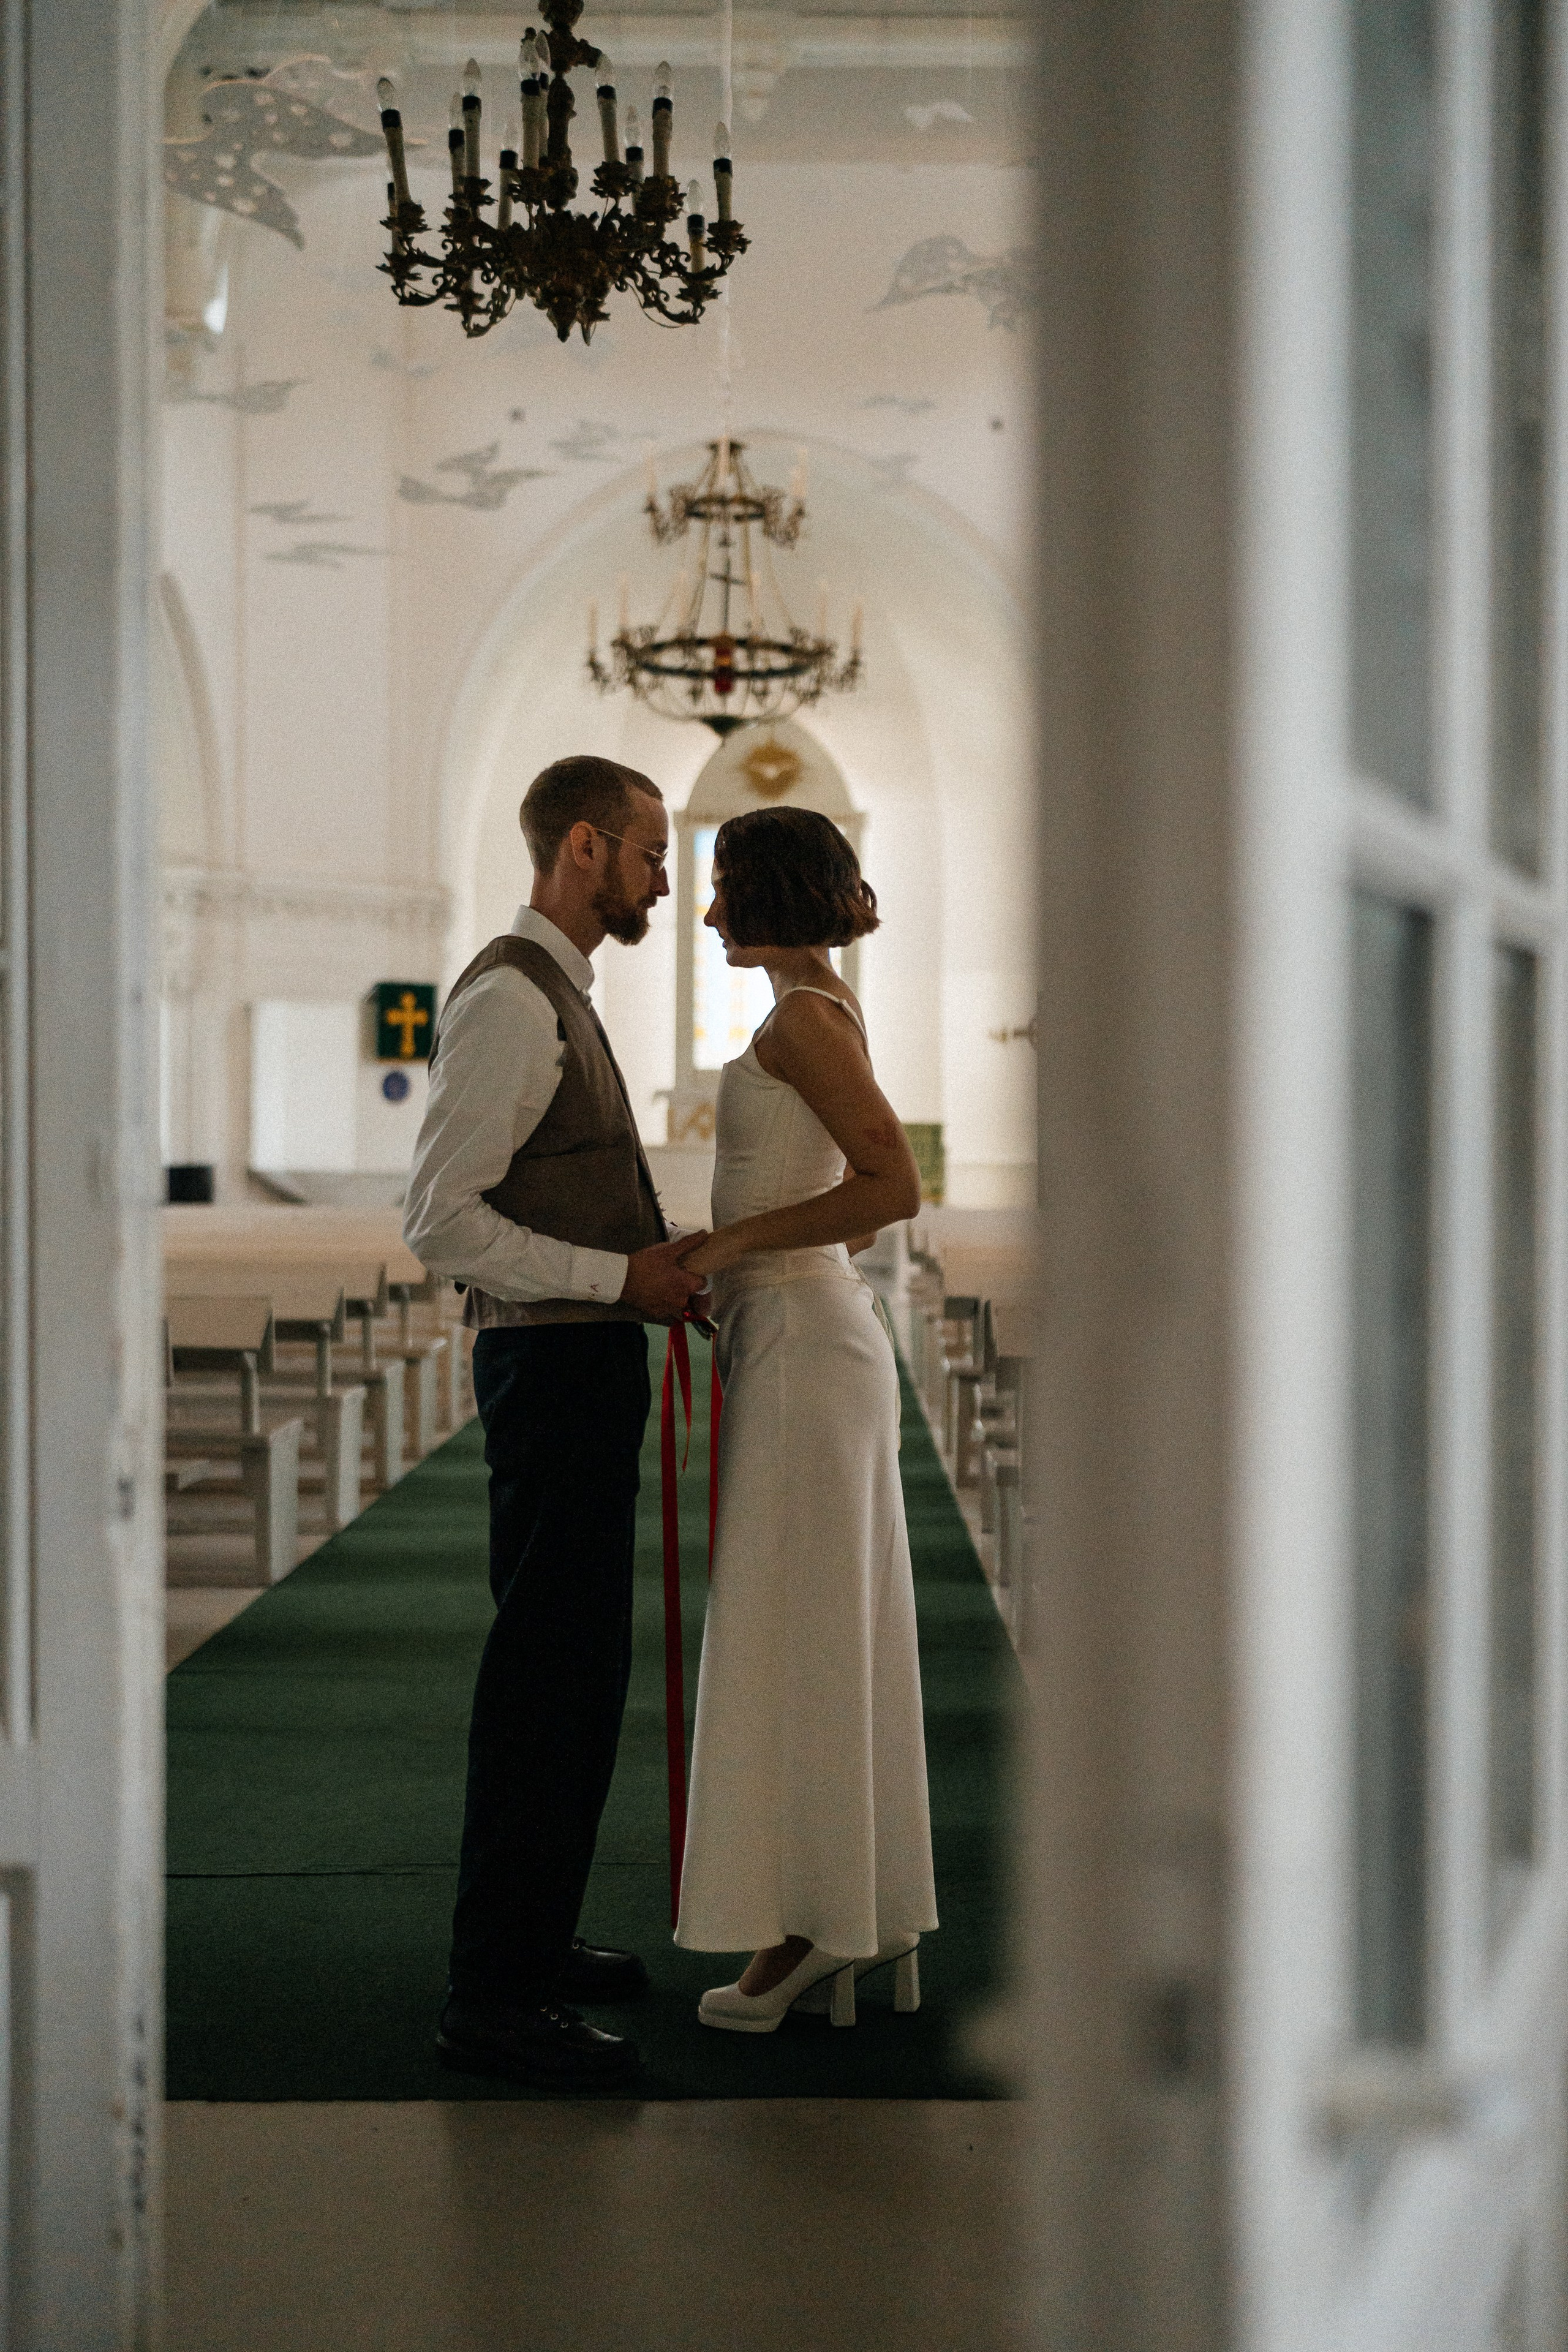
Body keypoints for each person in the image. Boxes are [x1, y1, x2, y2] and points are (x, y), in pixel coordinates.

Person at [403, 753, 707, 2088]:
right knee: (545, 1679)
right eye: (647, 852)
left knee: (579, 1677)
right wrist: (617, 1279)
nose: (659, 877)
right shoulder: (508, 1002)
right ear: (582, 849)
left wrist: (653, 1263)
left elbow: (555, 1187)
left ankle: (533, 1938)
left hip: (583, 1366)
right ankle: (494, 1996)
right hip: (548, 1371)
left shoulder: (559, 993)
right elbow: (441, 1222)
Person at [674, 805, 938, 2029]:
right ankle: (853, 1911)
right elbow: (860, 1208)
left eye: (724, 883)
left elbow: (891, 1190)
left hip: (803, 1345)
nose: (709, 906)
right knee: (820, 1631)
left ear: (769, 890)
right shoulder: (813, 1011)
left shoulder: (804, 1022)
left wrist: (729, 1243)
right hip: (795, 1335)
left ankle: (807, 1935)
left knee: (797, 1641)